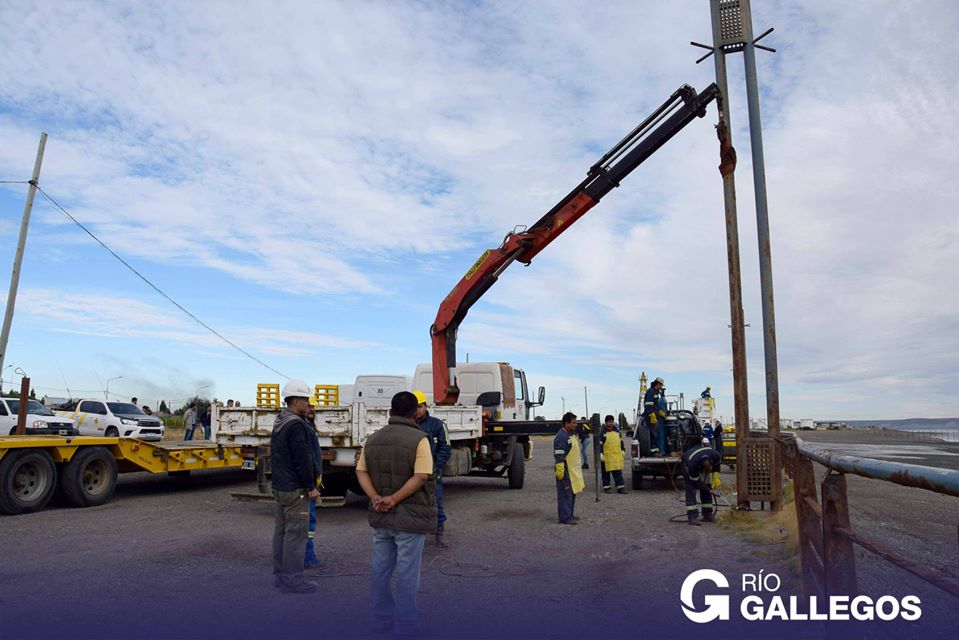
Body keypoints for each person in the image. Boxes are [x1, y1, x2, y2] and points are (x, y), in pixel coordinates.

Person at [355, 391, 435, 637]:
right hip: (410, 517)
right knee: (407, 572)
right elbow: (421, 475)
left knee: (380, 569)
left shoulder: (373, 438)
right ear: (414, 413)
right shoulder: (420, 439)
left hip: (381, 516)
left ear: (390, 411)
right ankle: (405, 625)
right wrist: (394, 499)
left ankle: (381, 619)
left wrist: (376, 498)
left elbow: (361, 471)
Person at [270, 379, 319, 593]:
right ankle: (293, 580)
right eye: (306, 400)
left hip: (281, 486)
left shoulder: (280, 421)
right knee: (296, 535)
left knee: (281, 532)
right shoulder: (297, 424)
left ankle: (282, 575)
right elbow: (303, 459)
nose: (309, 404)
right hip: (295, 489)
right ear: (296, 400)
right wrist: (311, 487)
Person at [413, 390, 451, 545]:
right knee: (413, 503)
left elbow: (445, 448)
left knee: (435, 500)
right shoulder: (408, 425)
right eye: (414, 407)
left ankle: (439, 532)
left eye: (420, 406)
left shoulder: (438, 425)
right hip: (412, 471)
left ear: (426, 406)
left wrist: (434, 466)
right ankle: (414, 533)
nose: (417, 410)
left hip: (432, 472)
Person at [553, 412, 585, 524]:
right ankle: (565, 518)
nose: (575, 425)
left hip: (572, 471)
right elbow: (559, 455)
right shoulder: (561, 436)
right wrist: (560, 470)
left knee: (572, 493)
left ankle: (570, 514)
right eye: (573, 423)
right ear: (567, 423)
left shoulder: (571, 434)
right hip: (565, 470)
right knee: (565, 494)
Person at [681, 442, 721, 526]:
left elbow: (717, 465)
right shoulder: (692, 464)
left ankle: (707, 514)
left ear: (711, 461)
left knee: (707, 485)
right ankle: (692, 517)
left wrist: (715, 476)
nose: (708, 471)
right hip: (687, 464)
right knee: (691, 489)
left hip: (698, 459)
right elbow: (697, 482)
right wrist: (709, 490)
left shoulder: (715, 455)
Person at [304, 400, 322, 570]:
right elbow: (304, 461)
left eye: (313, 407)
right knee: (307, 521)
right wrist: (310, 486)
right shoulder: (302, 427)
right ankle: (307, 557)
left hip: (310, 483)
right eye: (309, 406)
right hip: (305, 487)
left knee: (309, 521)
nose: (311, 410)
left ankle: (307, 555)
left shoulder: (309, 426)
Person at [600, 414, 626, 493]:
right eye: (609, 422)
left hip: (616, 458)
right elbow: (599, 445)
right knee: (606, 474)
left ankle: (620, 488)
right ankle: (607, 487)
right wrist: (600, 454)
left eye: (612, 422)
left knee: (618, 473)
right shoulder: (602, 433)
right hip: (606, 458)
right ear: (605, 423)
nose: (610, 423)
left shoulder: (617, 432)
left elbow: (621, 442)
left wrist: (623, 450)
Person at [642, 377, 667, 455]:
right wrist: (651, 415)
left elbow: (655, 406)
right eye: (661, 385)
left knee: (655, 433)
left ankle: (656, 450)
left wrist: (660, 412)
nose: (661, 387)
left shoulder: (655, 392)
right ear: (658, 384)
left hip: (655, 416)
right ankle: (654, 452)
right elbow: (648, 404)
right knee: (654, 434)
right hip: (651, 416)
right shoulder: (651, 392)